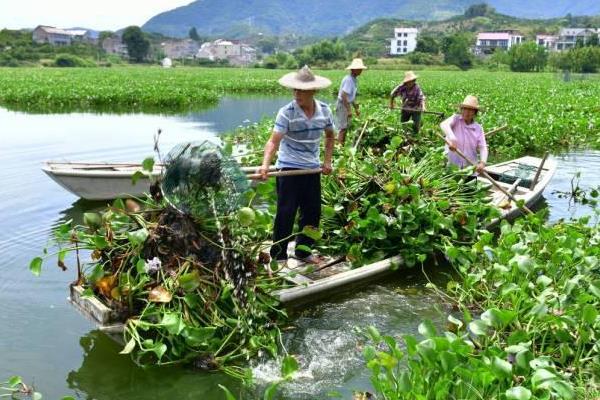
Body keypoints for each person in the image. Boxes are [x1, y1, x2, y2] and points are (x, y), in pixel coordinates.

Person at [258, 65, 335, 266]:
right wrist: (265, 165)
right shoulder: (287, 112)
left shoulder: (325, 111)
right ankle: (279, 255)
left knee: (312, 213)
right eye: (295, 90)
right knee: (286, 212)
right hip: (289, 168)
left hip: (311, 168)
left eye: (301, 90)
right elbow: (273, 141)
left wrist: (327, 161)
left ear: (313, 91)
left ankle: (303, 252)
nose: (297, 94)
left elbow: (330, 137)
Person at [440, 95, 488, 173]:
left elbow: (483, 147)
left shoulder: (478, 128)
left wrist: (482, 163)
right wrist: (452, 139)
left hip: (470, 167)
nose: (466, 112)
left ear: (475, 112)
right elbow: (443, 125)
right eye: (464, 109)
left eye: (470, 110)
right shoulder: (455, 119)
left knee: (470, 184)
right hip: (452, 167)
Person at [336, 58, 367, 145]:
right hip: (342, 105)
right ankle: (339, 147)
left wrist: (355, 108)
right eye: (359, 69)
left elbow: (351, 97)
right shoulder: (349, 80)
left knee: (345, 127)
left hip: (345, 104)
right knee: (343, 128)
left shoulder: (354, 80)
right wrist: (349, 110)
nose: (361, 71)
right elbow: (343, 95)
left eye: (361, 69)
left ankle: (340, 145)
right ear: (353, 69)